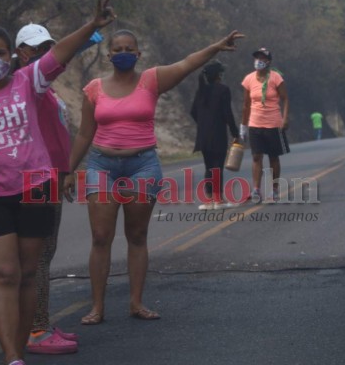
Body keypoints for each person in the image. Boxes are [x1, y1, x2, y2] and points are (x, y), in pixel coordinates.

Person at [0, 0, 115, 365]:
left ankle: (19, 349)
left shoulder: (27, 82)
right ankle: (11, 357)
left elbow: (59, 54)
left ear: (11, 56)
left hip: (33, 190)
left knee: (29, 272)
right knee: (5, 273)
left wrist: (92, 25)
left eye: (0, 53)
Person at [64, 29, 244, 325]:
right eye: (117, 48)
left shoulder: (151, 80)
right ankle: (97, 307)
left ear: (138, 54)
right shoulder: (94, 88)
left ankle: (136, 303)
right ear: (109, 55)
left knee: (137, 236)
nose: (123, 52)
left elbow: (187, 63)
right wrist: (67, 171)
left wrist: (215, 47)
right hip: (101, 166)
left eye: (129, 48)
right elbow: (85, 132)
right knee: (100, 237)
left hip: (142, 166)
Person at [14, 24, 79, 354]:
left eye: (47, 47)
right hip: (36, 178)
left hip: (52, 176)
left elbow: (56, 136)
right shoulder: (27, 84)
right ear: (22, 52)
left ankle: (38, 322)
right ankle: (36, 330)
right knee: (38, 257)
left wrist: (66, 172)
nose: (42, 53)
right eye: (35, 48)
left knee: (45, 253)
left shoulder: (45, 88)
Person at [240, 47, 290, 203]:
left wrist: (285, 118)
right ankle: (256, 189)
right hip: (255, 123)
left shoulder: (276, 78)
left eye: (262, 58)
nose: (258, 61)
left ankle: (274, 190)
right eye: (257, 58)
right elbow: (246, 104)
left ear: (268, 62)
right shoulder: (249, 79)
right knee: (256, 156)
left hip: (273, 123)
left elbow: (285, 99)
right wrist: (243, 126)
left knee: (273, 157)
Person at [190, 60, 240, 210]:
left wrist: (204, 122)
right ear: (219, 75)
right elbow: (227, 113)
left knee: (209, 166)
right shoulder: (223, 90)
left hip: (203, 135)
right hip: (217, 133)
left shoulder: (201, 91)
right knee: (217, 166)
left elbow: (193, 111)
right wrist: (234, 132)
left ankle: (208, 200)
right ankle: (219, 200)